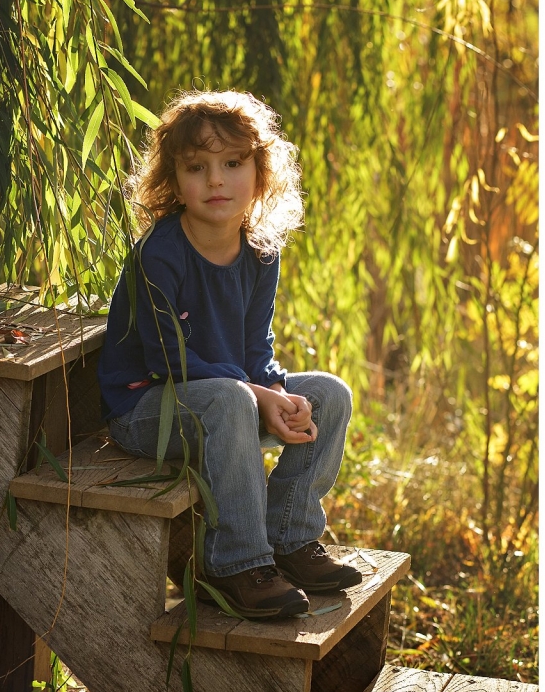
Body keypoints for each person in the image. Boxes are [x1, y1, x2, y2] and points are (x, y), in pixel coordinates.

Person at [97, 90, 362, 619]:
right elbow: (166, 361)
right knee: (232, 400)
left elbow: (253, 347)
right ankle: (238, 562)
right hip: (149, 410)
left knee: (328, 394)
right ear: (173, 180)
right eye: (197, 167)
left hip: (228, 402)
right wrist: (254, 394)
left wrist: (279, 390)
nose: (216, 180)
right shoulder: (161, 253)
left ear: (261, 174)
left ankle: (289, 536)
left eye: (233, 163)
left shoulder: (261, 250)